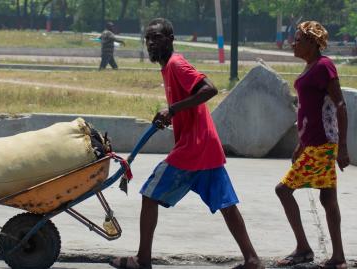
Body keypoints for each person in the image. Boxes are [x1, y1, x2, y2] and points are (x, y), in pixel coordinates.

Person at [109, 18, 263, 269]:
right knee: (227, 205)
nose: (151, 43)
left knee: (149, 195)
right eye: (148, 38)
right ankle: (252, 260)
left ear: (170, 39)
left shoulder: (176, 64)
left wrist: (172, 109)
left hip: (192, 149)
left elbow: (209, 89)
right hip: (206, 148)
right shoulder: (168, 68)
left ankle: (142, 259)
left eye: (157, 37)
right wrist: (173, 115)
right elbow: (189, 104)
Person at [275, 21, 349, 269]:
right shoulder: (310, 67)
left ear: (312, 42)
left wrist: (343, 148)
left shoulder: (324, 66)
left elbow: (340, 106)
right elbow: (308, 112)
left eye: (297, 39)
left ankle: (305, 249)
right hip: (313, 144)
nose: (293, 43)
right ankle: (336, 257)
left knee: (283, 190)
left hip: (323, 145)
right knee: (328, 199)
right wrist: (300, 144)